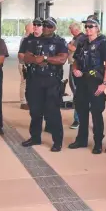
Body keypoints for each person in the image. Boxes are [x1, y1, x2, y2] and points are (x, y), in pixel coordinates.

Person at [21, 17, 68, 152]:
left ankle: (57, 141)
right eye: (44, 25)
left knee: (52, 112)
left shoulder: (59, 41)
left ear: (54, 28)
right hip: (35, 80)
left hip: (51, 81)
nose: (46, 28)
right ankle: (35, 137)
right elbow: (26, 57)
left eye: (49, 26)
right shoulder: (34, 41)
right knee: (35, 111)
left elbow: (62, 58)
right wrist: (37, 60)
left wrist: (46, 58)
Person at [69, 16, 106, 154]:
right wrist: (75, 69)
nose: (87, 29)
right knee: (82, 111)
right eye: (86, 27)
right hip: (82, 82)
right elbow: (75, 59)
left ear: (97, 28)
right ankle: (81, 139)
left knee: (96, 113)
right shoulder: (82, 42)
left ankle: (98, 142)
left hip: (96, 82)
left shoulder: (103, 43)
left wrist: (104, 83)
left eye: (91, 26)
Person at [67, 22, 85, 129]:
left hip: (76, 67)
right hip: (73, 66)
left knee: (77, 93)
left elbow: (74, 49)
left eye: (71, 29)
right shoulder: (76, 38)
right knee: (76, 92)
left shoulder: (80, 38)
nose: (70, 31)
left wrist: (66, 45)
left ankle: (78, 119)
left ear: (76, 29)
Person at [18, 22, 34, 110]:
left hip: (27, 64)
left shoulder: (28, 38)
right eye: (33, 27)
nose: (34, 28)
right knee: (24, 83)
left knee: (28, 83)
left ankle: (27, 101)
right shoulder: (25, 39)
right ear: (29, 29)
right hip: (24, 65)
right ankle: (23, 102)